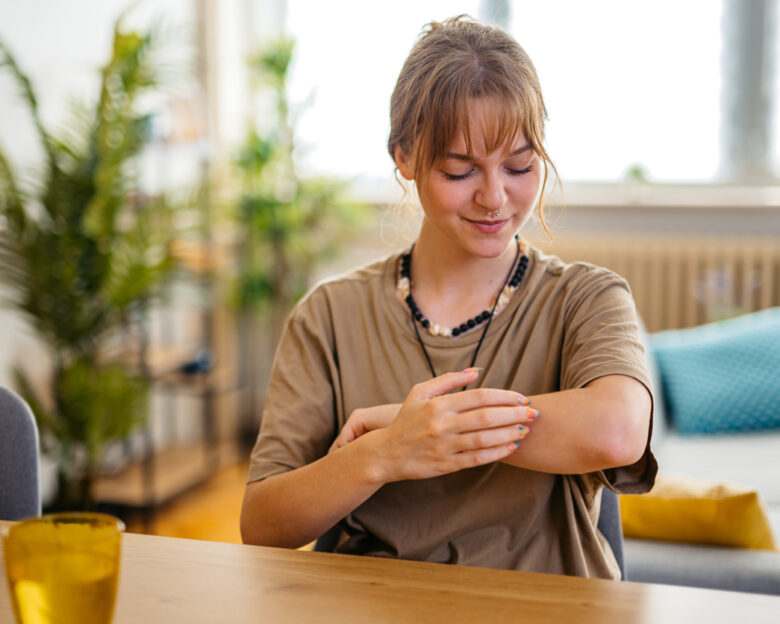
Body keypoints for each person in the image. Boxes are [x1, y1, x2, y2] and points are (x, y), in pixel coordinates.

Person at [241, 16, 656, 579]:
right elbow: (263, 523)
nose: (494, 197)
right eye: (460, 170)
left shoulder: (586, 297)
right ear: (405, 157)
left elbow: (618, 430)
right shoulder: (329, 315)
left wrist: (428, 426)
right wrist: (387, 451)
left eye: (519, 165)